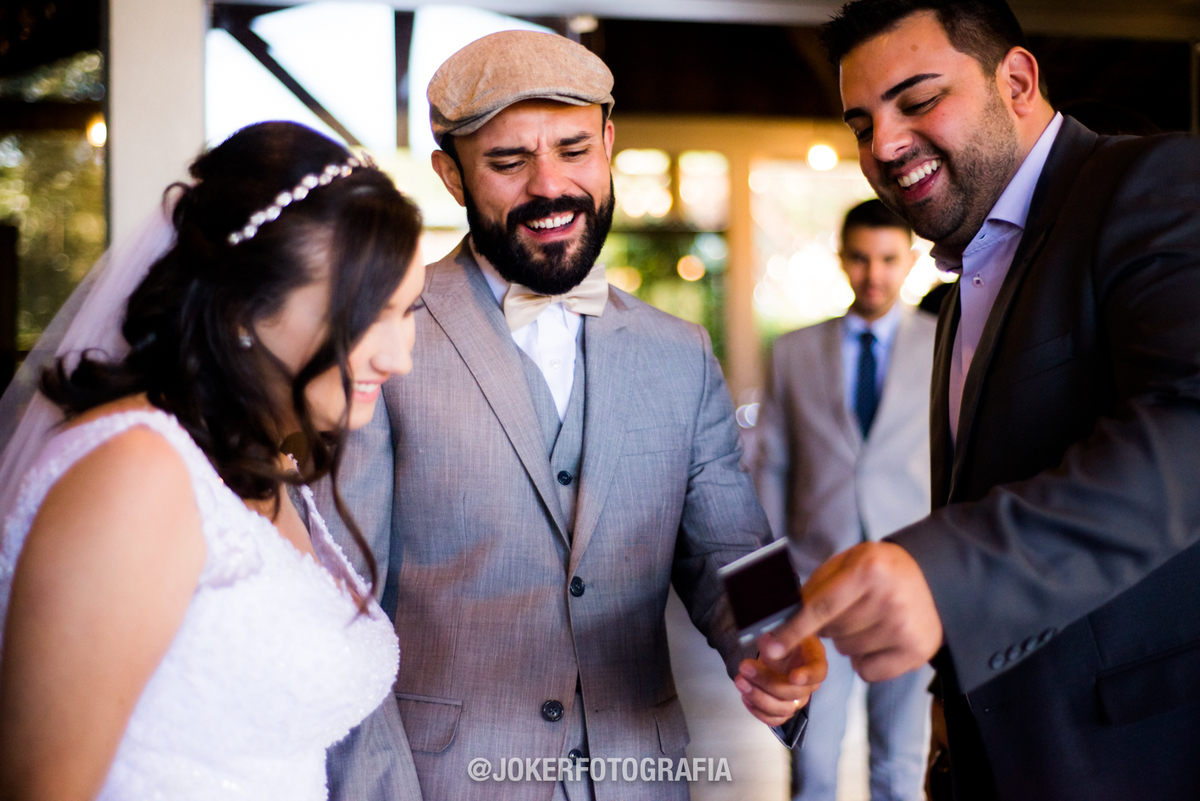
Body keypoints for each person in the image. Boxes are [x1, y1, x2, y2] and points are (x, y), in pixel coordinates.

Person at [318, 29, 826, 801]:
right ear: (450, 175)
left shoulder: (678, 352)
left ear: (610, 144)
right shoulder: (384, 343)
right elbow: (341, 609)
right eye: (508, 161)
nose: (550, 186)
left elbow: (736, 549)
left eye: (574, 149)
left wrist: (778, 637)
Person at [765, 2, 1200, 800]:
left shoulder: (1152, 181)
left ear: (1019, 81)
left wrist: (948, 580)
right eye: (861, 124)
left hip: (1131, 751)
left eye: (919, 100)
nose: (884, 146)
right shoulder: (967, 284)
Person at [0, 121, 427, 801]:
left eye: (410, 310)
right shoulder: (134, 473)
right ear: (246, 309)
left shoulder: (266, 462)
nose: (398, 355)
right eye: (367, 316)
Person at [755, 198, 935, 801]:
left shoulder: (946, 344)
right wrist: (766, 601)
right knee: (812, 768)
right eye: (859, 258)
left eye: (887, 259)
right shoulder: (792, 352)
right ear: (841, 259)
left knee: (900, 766)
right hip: (815, 586)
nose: (873, 275)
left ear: (909, 261)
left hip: (909, 581)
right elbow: (769, 472)